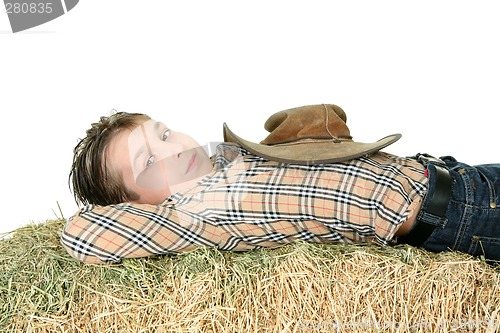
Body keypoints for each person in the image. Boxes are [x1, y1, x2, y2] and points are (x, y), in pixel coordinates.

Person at [61, 104, 500, 264]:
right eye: (149, 161)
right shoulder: (194, 215)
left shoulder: (224, 158)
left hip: (448, 171)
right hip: (458, 214)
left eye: (162, 132)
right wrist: (141, 209)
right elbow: (83, 235)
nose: (172, 149)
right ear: (135, 203)